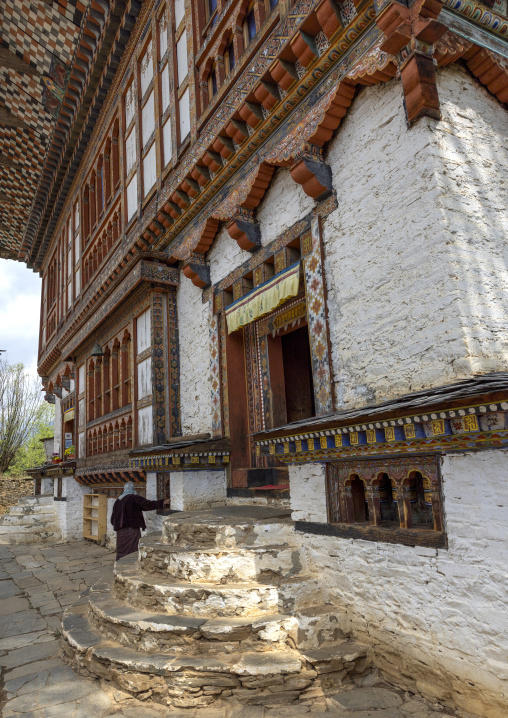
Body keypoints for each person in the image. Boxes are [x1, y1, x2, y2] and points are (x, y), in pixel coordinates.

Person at [111, 481, 170, 561]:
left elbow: (112, 519)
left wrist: (119, 525)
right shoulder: (133, 498)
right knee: (132, 548)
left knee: (122, 548)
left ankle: (120, 563)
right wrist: (163, 502)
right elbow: (148, 504)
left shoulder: (118, 501)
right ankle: (130, 563)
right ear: (133, 489)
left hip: (120, 531)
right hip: (131, 529)